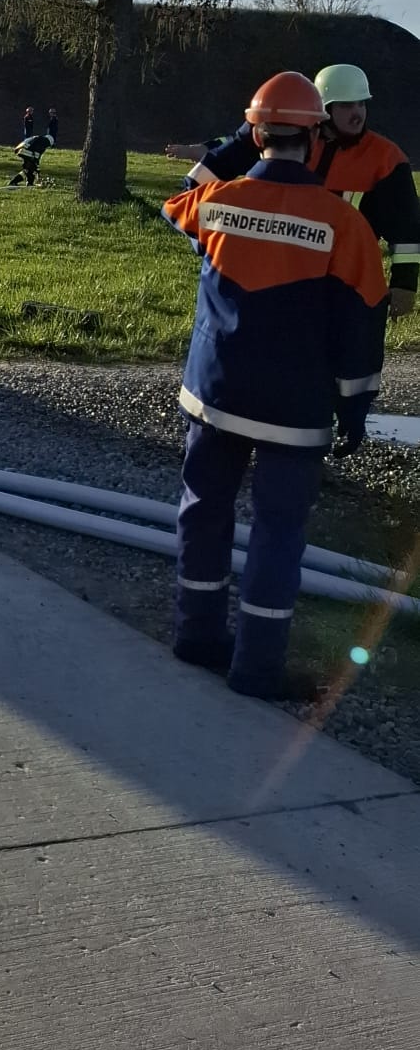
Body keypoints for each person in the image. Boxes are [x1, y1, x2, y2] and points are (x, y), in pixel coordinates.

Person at [162, 72, 387, 701]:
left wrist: (240, 141)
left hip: (215, 396)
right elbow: (362, 328)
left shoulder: (217, 203)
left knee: (204, 511)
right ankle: (257, 669)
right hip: (295, 409)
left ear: (257, 133)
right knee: (278, 532)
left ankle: (196, 636)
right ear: (315, 138)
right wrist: (355, 409)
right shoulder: (345, 226)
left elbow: (179, 199)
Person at [187, 62, 419, 318]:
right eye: (346, 106)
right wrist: (205, 235)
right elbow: (211, 172)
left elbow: (407, 229)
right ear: (324, 109)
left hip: (343, 280)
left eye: (361, 104)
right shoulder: (292, 141)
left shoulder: (386, 158)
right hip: (279, 273)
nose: (357, 114)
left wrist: (404, 284)